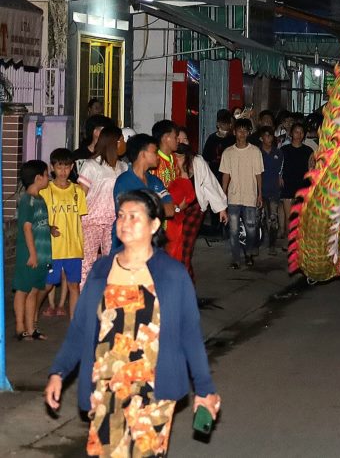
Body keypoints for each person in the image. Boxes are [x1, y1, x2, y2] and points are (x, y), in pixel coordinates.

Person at [45, 189, 221, 455]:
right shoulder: (101, 270)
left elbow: (190, 335)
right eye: (121, 216)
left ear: (154, 225)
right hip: (105, 387)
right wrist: (58, 372)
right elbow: (81, 329)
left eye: (134, 217)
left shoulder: (172, 274)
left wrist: (205, 388)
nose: (124, 223)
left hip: (154, 389)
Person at [39, 148, 88, 319]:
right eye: (59, 167)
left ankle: (74, 321)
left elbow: (81, 218)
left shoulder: (78, 191)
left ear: (72, 167)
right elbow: (39, 219)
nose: (63, 171)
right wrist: (49, 228)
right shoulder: (45, 191)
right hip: (53, 249)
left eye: (67, 167)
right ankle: (33, 316)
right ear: (52, 167)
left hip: (73, 247)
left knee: (74, 285)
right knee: (47, 285)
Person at [77, 126, 128, 286]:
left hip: (113, 222)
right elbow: (80, 195)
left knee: (113, 262)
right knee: (86, 265)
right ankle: (85, 303)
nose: (124, 143)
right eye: (121, 140)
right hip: (90, 221)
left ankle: (108, 301)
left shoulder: (123, 167)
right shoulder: (91, 165)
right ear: (114, 142)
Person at [113, 134, 175, 250]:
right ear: (143, 154)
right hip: (129, 244)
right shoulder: (124, 181)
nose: (157, 156)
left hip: (154, 244)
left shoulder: (155, 181)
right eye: (154, 152)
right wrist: (157, 206)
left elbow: (170, 210)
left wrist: (144, 208)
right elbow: (128, 215)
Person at [13, 160, 52, 341]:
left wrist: (49, 229)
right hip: (30, 254)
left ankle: (31, 328)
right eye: (46, 174)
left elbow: (38, 224)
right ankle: (20, 328)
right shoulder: (27, 201)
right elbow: (27, 228)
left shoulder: (40, 199)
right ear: (38, 178)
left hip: (41, 254)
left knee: (35, 291)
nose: (48, 178)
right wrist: (33, 253)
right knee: (23, 290)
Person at [221, 118, 264, 269]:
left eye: (245, 130)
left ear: (249, 132)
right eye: (240, 130)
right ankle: (235, 258)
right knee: (233, 230)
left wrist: (260, 194)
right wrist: (223, 194)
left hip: (250, 195)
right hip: (233, 196)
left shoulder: (255, 151)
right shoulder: (228, 152)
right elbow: (225, 175)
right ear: (234, 132)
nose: (242, 133)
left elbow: (259, 174)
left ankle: (249, 253)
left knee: (251, 229)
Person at [176, 127, 229, 234]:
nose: (182, 143)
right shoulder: (166, 161)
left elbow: (210, 183)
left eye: (185, 139)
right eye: (178, 140)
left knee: (187, 245)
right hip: (174, 208)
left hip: (194, 207)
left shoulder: (197, 161)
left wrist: (221, 208)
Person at [166, 144, 199, 279]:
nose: (176, 158)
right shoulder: (167, 169)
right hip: (171, 218)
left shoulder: (190, 171)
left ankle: (185, 289)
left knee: (182, 253)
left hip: (182, 216)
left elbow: (189, 198)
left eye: (179, 156)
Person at [280, 122, 315, 249]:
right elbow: (279, 167)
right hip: (288, 184)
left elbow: (312, 168)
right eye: (296, 132)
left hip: (303, 185)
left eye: (301, 132)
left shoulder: (308, 150)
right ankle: (287, 239)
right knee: (288, 216)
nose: (299, 135)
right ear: (291, 134)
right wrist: (279, 177)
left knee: (300, 216)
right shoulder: (284, 150)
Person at [258, 126, 284, 255]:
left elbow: (281, 169)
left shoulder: (278, 153)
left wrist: (280, 176)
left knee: (273, 218)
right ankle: (259, 243)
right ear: (261, 137)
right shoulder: (256, 153)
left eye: (271, 136)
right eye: (266, 136)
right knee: (259, 218)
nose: (269, 138)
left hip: (273, 190)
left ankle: (272, 245)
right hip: (259, 191)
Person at [203, 109, 235, 182]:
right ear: (218, 124)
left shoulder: (233, 139)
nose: (225, 127)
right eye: (223, 124)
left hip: (230, 175)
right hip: (214, 175)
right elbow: (206, 159)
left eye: (227, 124)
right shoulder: (212, 138)